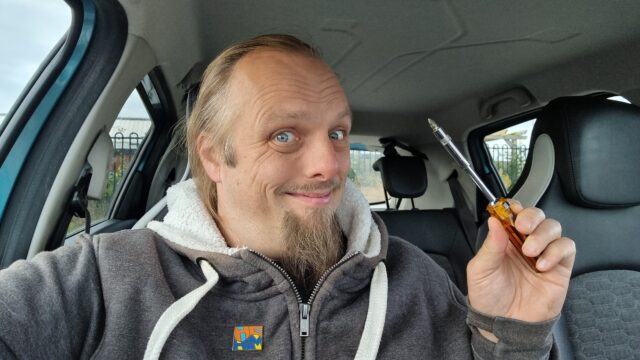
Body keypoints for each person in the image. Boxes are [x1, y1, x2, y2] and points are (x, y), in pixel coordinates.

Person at [0, 34, 575, 359]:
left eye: (337, 133)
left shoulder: (418, 282)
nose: (330, 165)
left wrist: (513, 334)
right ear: (212, 156)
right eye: (283, 135)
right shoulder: (102, 278)